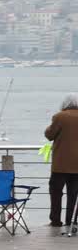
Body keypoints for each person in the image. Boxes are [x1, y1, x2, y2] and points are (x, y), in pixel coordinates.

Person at [45, 94, 78, 228]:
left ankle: (56, 221)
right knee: (74, 194)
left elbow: (49, 135)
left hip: (60, 164)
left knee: (56, 193)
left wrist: (48, 129)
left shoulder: (59, 116)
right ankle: (71, 221)